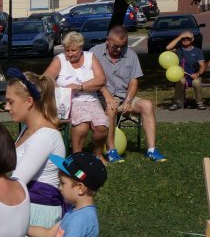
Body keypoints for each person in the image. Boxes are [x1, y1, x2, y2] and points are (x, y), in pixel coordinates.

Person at [3, 69, 65, 237]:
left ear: (29, 102)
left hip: (37, 216)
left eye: (10, 102)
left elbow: (17, 180)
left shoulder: (46, 136)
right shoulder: (27, 130)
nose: (6, 107)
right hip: (24, 207)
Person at [91, 26, 166, 163]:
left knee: (147, 105)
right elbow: (93, 79)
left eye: (123, 46)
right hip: (101, 97)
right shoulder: (94, 53)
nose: (119, 49)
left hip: (123, 96)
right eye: (115, 46)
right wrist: (108, 97)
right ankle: (112, 151)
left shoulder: (131, 55)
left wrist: (129, 100)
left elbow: (133, 82)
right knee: (111, 108)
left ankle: (151, 150)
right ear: (108, 41)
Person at [43, 31, 112, 160]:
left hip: (91, 100)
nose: (69, 54)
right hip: (69, 102)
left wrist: (80, 87)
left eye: (73, 50)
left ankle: (97, 154)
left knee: (101, 127)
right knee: (82, 125)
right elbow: (46, 78)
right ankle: (77, 156)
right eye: (67, 50)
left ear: (81, 48)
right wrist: (60, 90)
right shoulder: (60, 59)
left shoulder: (90, 57)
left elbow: (101, 79)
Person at [167, 30, 206, 111]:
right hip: (181, 76)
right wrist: (180, 36)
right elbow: (168, 48)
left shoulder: (198, 51)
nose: (185, 40)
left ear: (192, 39)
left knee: (197, 82)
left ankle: (199, 103)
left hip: (193, 76)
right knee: (181, 81)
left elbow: (202, 67)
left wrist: (197, 74)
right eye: (183, 38)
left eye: (188, 38)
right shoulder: (177, 50)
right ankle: (176, 103)